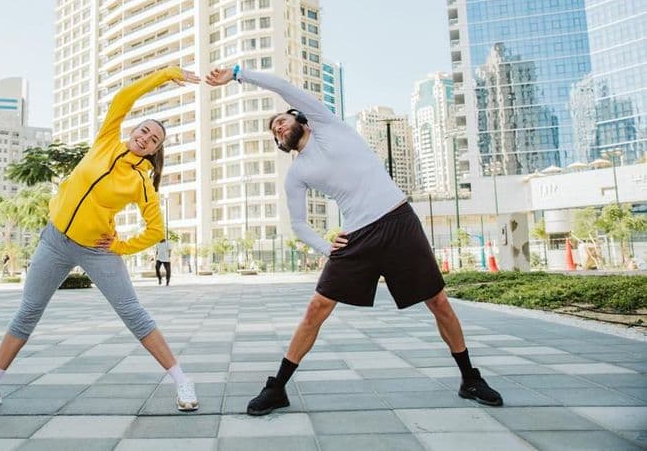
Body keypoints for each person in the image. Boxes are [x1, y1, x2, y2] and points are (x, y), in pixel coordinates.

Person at [205, 66, 503, 415]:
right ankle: (277, 388)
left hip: (398, 221)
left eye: (281, 121)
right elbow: (299, 223)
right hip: (358, 237)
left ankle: (470, 378)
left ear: (299, 118)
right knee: (316, 309)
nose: (278, 127)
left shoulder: (328, 124)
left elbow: (283, 85)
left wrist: (238, 74)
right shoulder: (297, 173)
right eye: (274, 130)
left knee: (437, 301)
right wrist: (326, 248)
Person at [0, 66, 201, 414]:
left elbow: (155, 231)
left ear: (153, 151)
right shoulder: (106, 140)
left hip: (96, 250)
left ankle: (182, 381)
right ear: (134, 129)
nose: (145, 139)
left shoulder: (141, 182)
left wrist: (119, 247)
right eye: (144, 131)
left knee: (133, 314)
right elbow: (123, 98)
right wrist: (165, 75)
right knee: (27, 312)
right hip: (54, 240)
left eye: (153, 141)